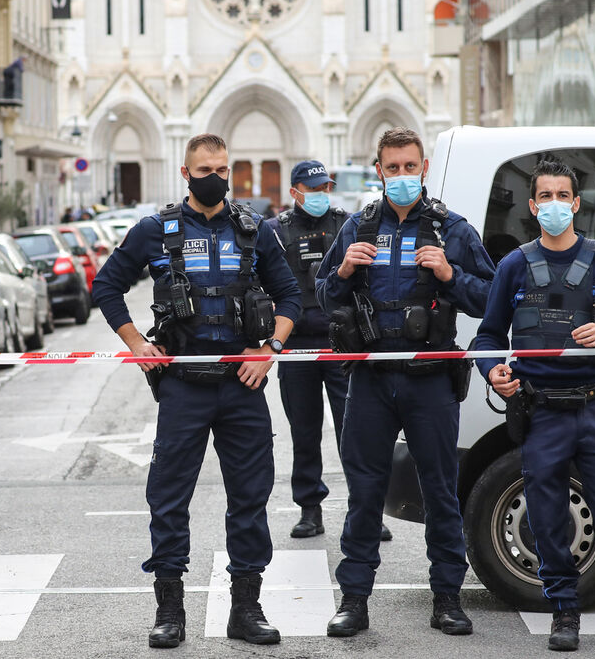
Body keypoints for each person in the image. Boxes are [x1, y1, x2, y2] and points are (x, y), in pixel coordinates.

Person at [91, 133, 302, 649]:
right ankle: (170, 611)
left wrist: (269, 348)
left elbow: (292, 294)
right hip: (183, 387)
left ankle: (246, 609)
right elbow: (106, 286)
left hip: (241, 385)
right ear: (185, 174)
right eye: (206, 168)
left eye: (223, 169)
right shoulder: (155, 229)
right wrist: (137, 342)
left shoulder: (254, 229)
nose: (216, 177)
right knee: (168, 500)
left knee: (250, 500)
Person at [315, 127, 494, 639]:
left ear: (424, 168)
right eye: (391, 168)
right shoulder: (358, 227)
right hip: (370, 380)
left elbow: (489, 300)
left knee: (440, 490)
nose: (400, 176)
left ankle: (447, 599)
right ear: (378, 171)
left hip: (430, 380)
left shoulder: (450, 231)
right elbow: (326, 301)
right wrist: (345, 270)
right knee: (365, 494)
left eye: (409, 167)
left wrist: (449, 276)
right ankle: (354, 600)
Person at [473, 160, 595, 652]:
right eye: (545, 197)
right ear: (533, 206)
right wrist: (494, 370)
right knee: (548, 518)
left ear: (576, 203)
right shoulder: (514, 265)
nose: (554, 204)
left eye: (563, 196)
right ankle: (564, 612)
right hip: (542, 412)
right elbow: (487, 336)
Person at [266, 161, 392, 542]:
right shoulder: (276, 232)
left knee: (353, 432)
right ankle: (309, 510)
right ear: (295, 192)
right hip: (297, 347)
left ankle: (368, 509)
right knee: (304, 433)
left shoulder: (346, 224)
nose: (321, 194)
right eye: (313, 188)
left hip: (342, 345)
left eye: (325, 187)